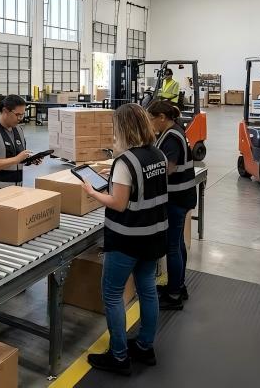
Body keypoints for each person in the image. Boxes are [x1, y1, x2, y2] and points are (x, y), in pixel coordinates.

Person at [81, 103, 169, 376]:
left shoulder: (125, 161)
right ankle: (144, 346)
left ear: (124, 128)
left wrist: (92, 192)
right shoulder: (157, 154)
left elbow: (118, 203)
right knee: (147, 288)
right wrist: (115, 180)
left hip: (127, 237)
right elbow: (142, 188)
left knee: (112, 293)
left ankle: (118, 356)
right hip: (154, 234)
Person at [147, 100, 197, 310]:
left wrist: (145, 175)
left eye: (151, 119)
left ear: (161, 117)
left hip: (177, 198)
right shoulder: (173, 131)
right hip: (182, 196)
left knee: (172, 246)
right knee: (177, 243)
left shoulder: (172, 137)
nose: (150, 123)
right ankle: (178, 285)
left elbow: (168, 168)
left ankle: (174, 294)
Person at [0, 94, 43, 194]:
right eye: (17, 115)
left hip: (14, 191)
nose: (20, 118)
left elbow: (15, 158)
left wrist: (29, 160)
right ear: (5, 111)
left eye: (22, 115)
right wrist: (16, 159)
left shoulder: (18, 130)